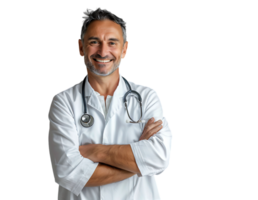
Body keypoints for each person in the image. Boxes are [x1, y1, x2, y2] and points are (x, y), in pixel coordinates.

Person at [46, 6, 174, 200]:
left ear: (125, 49)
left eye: (112, 42)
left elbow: (160, 158)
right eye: (94, 42)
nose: (103, 51)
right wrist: (138, 159)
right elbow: (67, 171)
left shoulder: (147, 96)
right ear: (80, 47)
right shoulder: (63, 102)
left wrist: (93, 151)